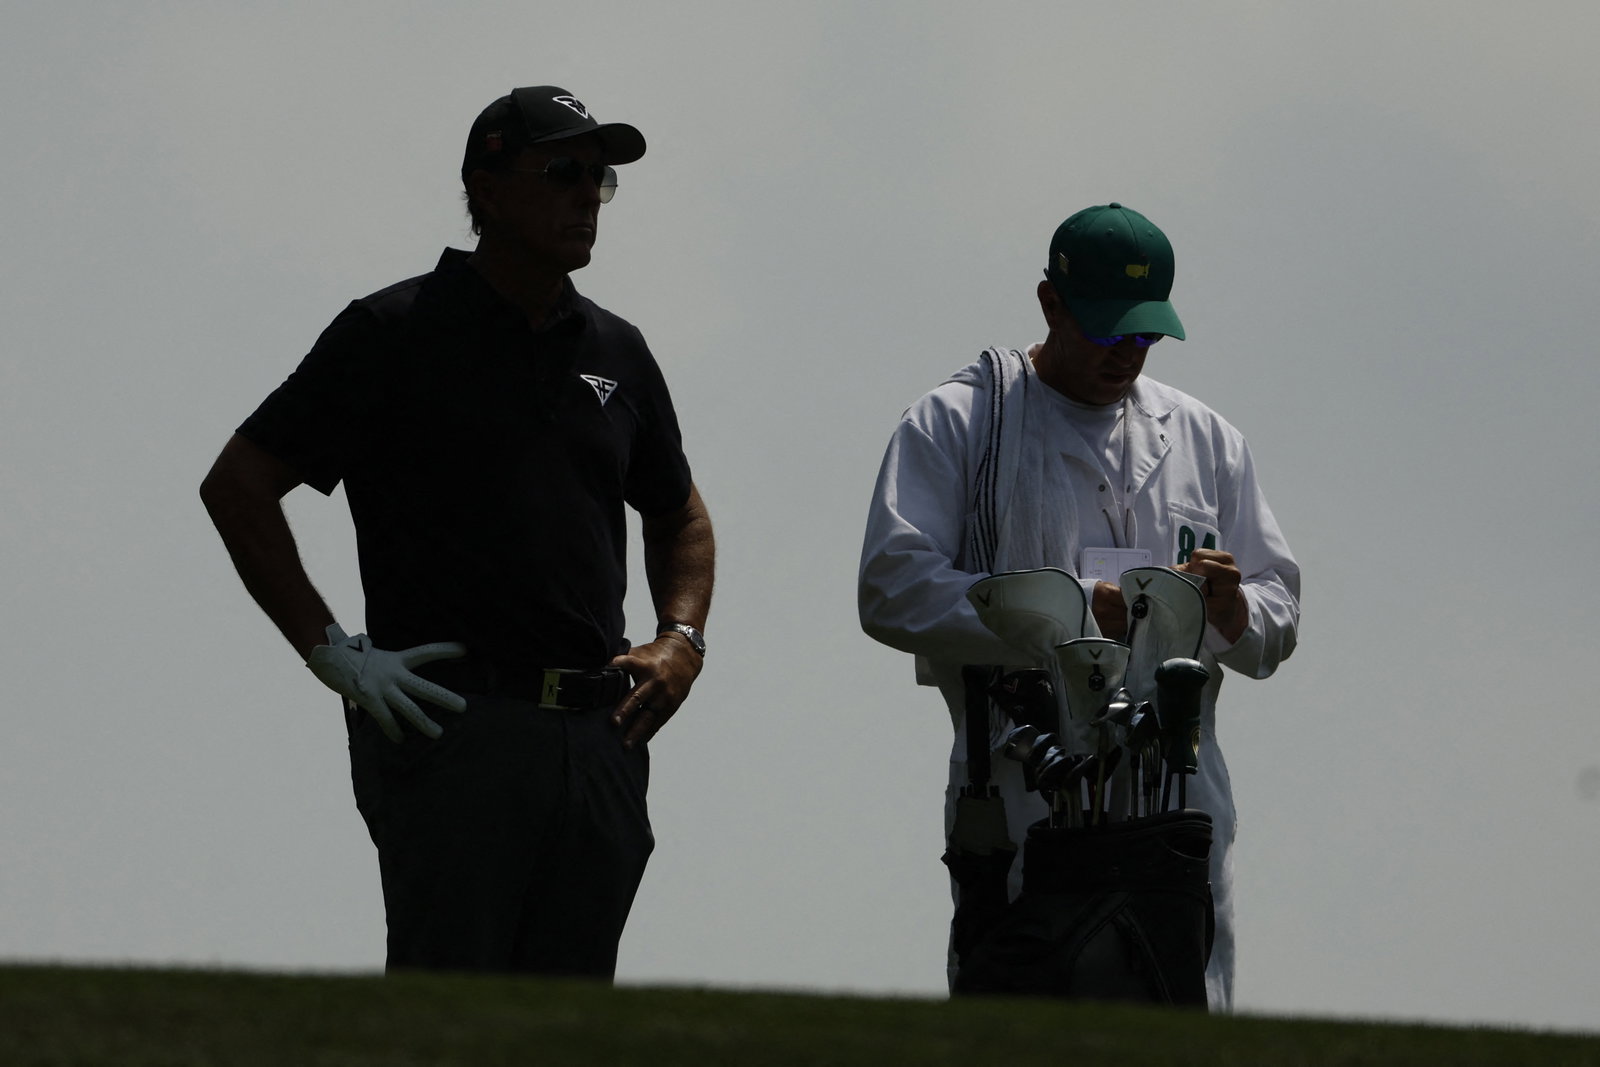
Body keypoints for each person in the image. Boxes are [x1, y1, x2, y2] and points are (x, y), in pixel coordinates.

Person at [199, 86, 714, 978]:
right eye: (562, 171)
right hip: (452, 728)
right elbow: (239, 486)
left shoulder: (617, 351)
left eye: (600, 179)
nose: (586, 194)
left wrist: (681, 638)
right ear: (487, 181)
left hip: (597, 741)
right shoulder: (391, 332)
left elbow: (681, 517)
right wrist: (334, 654)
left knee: (569, 1032)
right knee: (451, 1024)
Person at [857, 202, 1298, 1009]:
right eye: (1104, 330)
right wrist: (1070, 610)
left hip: (1177, 780)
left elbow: (1277, 612)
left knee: (1183, 1008)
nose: (1125, 352)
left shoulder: (1206, 438)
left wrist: (1232, 612)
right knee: (1023, 1019)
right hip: (1023, 777)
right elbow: (892, 589)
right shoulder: (960, 423)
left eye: (1143, 334)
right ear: (1050, 303)